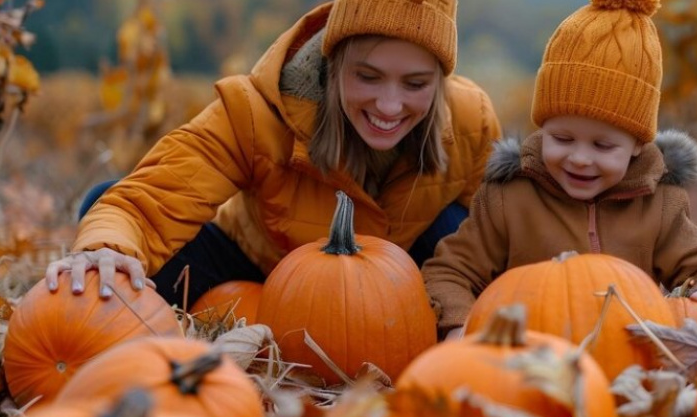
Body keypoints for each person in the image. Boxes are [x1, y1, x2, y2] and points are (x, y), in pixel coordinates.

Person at [45, 0, 502, 306]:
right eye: (367, 76)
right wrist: (109, 245)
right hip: (256, 268)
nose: (388, 105)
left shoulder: (469, 121)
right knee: (106, 207)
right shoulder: (257, 111)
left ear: (439, 82)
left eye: (415, 84)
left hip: (386, 288)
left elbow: (499, 235)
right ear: (334, 61)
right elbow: (150, 200)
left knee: (461, 228)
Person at [422, 0, 697, 340]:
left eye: (602, 146)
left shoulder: (659, 202)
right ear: (542, 127)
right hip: (528, 362)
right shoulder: (510, 197)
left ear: (638, 145)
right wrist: (459, 325)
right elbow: (451, 270)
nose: (580, 158)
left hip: (624, 358)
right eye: (562, 138)